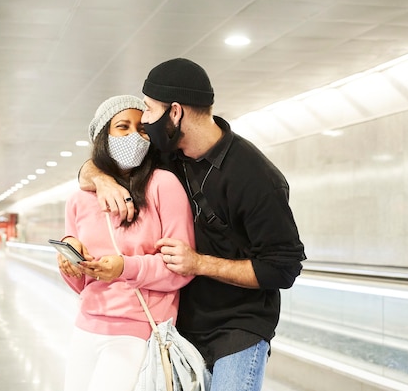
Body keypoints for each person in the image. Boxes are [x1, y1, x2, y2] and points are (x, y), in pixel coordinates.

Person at [79, 59, 306, 391]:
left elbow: (283, 269)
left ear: (174, 113)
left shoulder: (256, 177)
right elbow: (99, 161)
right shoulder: (164, 153)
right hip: (179, 325)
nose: (145, 122)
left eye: (150, 112)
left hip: (239, 328)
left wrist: (199, 263)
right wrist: (102, 182)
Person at [57, 95, 196, 391]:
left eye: (142, 129)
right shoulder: (79, 199)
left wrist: (125, 267)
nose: (134, 136)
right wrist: (71, 263)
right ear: (102, 136)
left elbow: (181, 269)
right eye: (122, 127)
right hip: (86, 326)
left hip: (139, 331)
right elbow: (81, 285)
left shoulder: (163, 185)